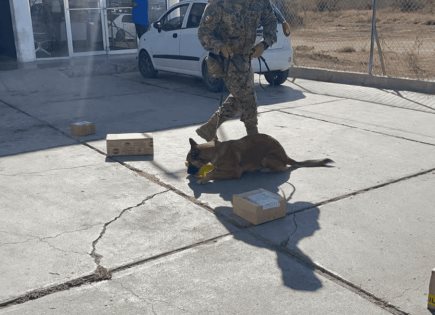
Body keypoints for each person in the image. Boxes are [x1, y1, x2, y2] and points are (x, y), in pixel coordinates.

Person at [196, 0, 277, 141]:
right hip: (227, 59)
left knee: (240, 98)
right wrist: (220, 46)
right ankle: (254, 138)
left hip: (246, 58)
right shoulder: (218, 4)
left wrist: (264, 44)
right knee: (248, 98)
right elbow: (203, 33)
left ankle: (209, 127)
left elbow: (271, 21)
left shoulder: (260, 3)